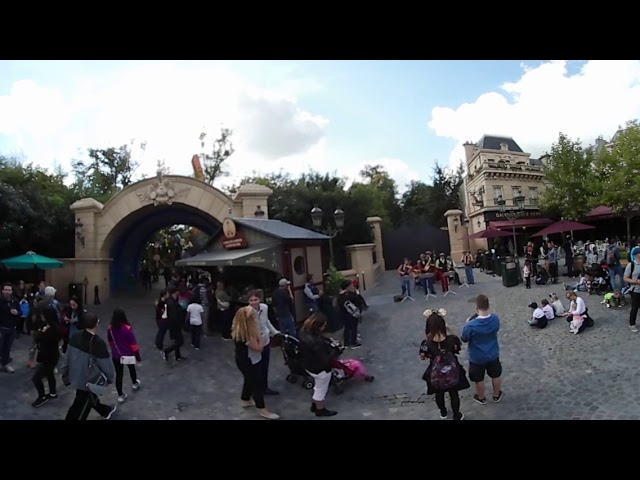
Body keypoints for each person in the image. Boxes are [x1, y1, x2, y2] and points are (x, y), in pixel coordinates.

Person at [60, 312, 117, 420]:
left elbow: (67, 356)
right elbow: (106, 364)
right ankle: (105, 411)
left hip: (76, 375)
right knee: (80, 407)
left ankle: (105, 410)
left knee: (85, 399)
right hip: (89, 380)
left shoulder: (75, 336)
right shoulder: (98, 343)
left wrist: (65, 371)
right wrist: (109, 379)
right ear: (97, 324)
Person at [419, 308, 469, 420]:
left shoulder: (426, 343)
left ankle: (443, 412)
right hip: (452, 371)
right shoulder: (452, 340)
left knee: (439, 394)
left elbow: (423, 357)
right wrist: (447, 327)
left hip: (436, 373)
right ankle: (457, 415)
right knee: (454, 394)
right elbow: (458, 346)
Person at [232, 306, 279, 420]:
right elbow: (259, 348)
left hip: (244, 360)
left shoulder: (238, 328)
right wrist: (260, 336)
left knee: (249, 380)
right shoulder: (246, 334)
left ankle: (245, 399)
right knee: (256, 384)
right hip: (249, 361)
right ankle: (262, 410)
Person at [461, 294, 504, 405]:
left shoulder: (471, 325)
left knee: (478, 379)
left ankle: (481, 397)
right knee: (495, 375)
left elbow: (464, 338)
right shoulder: (495, 318)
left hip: (477, 356)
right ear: (488, 305)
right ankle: (496, 395)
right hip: (493, 353)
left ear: (476, 307)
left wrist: (467, 324)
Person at [298, 313, 338, 417]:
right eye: (323, 325)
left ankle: (315, 405)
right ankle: (320, 409)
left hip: (308, 365)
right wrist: (336, 351)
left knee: (318, 385)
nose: (325, 327)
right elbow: (325, 360)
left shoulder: (303, 331)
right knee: (321, 390)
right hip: (320, 369)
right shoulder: (316, 343)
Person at [248, 290, 280, 395]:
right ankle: (255, 390)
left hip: (265, 341)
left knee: (265, 366)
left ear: (259, 300)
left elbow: (266, 322)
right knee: (256, 367)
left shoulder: (264, 308)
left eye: (255, 299)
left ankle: (264, 388)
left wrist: (275, 332)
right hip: (254, 344)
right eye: (251, 300)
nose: (254, 302)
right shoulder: (246, 313)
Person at [107, 309, 141, 404]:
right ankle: (134, 383)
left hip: (116, 355)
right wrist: (137, 356)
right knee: (131, 369)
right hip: (128, 354)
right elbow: (133, 344)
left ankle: (120, 395)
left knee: (119, 375)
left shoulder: (110, 329)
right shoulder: (127, 328)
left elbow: (110, 341)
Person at [31, 307, 61, 407]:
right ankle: (53, 393)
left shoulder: (52, 329)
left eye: (44, 315)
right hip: (50, 356)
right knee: (50, 374)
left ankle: (42, 397)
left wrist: (41, 332)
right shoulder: (49, 326)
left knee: (36, 378)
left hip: (49, 357)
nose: (42, 317)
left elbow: (39, 338)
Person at [337, 279, 363, 349]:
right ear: (347, 286)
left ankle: (346, 342)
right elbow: (358, 300)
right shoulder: (350, 294)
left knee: (347, 328)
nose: (352, 286)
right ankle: (353, 342)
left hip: (344, 314)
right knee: (353, 328)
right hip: (352, 314)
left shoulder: (340, 296)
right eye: (351, 285)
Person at [162, 286, 186, 361]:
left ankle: (177, 355)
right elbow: (174, 315)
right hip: (175, 325)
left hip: (173, 324)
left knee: (177, 340)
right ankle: (167, 351)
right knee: (180, 341)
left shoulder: (172, 301)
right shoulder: (172, 302)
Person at [0, 282, 19, 373]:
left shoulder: (14, 301)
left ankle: (5, 364)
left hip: (11, 328)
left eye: (9, 290)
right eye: (6, 290)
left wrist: (17, 313)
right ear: (2, 291)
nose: (7, 292)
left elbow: (20, 313)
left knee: (7, 348)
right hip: (1, 328)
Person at [623, 246, 640, 333]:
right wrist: (636, 282)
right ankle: (632, 324)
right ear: (637, 255)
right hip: (635, 290)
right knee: (635, 308)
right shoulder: (631, 265)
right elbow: (625, 278)